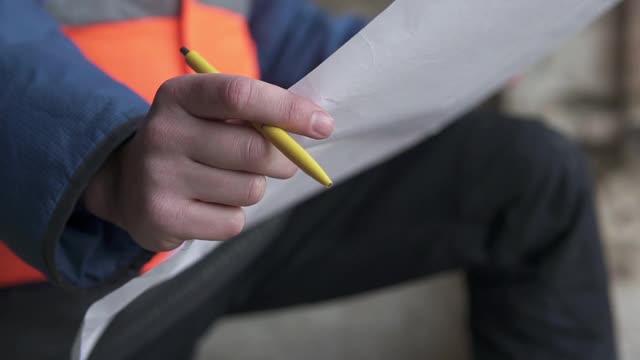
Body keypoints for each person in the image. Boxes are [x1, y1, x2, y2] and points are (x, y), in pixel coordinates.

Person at [0, 0, 616, 359]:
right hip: (56, 280)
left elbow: (258, 24)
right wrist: (107, 162)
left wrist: (440, 57)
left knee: (527, 177)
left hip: (233, 223)